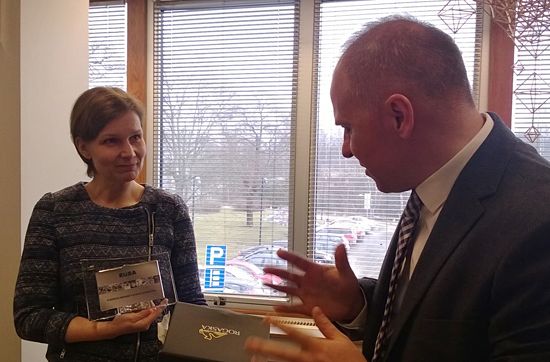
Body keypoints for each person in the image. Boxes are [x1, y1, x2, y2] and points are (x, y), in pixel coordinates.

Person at [245, 15, 550, 362]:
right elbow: (421, 315)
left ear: (399, 116)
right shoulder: (432, 187)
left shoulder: (538, 220)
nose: (346, 149)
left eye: (348, 128)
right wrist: (357, 304)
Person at [14, 87, 206, 361]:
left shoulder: (168, 209)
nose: (129, 152)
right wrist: (105, 329)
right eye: (111, 141)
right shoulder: (55, 211)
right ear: (83, 147)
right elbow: (28, 317)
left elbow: (192, 306)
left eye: (135, 137)